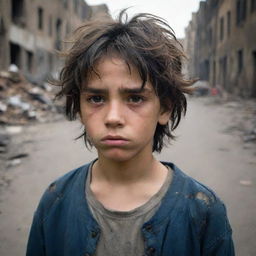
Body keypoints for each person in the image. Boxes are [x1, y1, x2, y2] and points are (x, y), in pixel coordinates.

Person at [26, 10, 235, 256]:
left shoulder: (203, 211)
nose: (113, 117)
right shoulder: (55, 202)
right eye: (96, 98)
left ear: (165, 108)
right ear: (79, 109)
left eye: (135, 98)